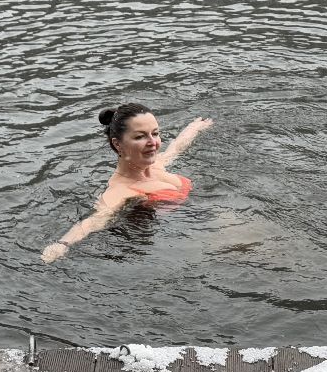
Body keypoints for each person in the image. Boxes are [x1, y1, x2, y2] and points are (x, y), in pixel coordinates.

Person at [40, 103, 213, 263]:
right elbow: (93, 221)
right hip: (192, 240)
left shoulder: (156, 165)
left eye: (155, 133)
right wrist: (62, 245)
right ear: (118, 144)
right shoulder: (121, 191)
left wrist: (193, 129)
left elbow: (174, 149)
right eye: (140, 136)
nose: (153, 142)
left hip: (205, 222)